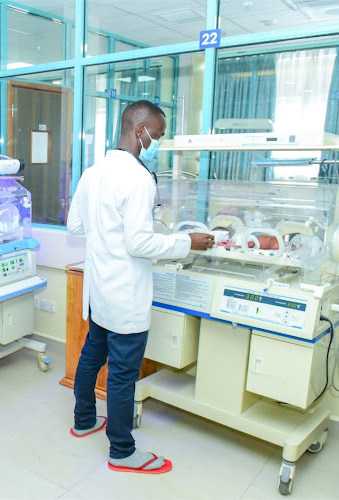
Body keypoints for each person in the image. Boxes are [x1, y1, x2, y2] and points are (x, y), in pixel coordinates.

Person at [67, 100, 213, 474]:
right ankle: (122, 450)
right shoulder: (137, 178)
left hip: (99, 291)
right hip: (126, 295)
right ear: (140, 130)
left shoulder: (91, 173)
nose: (157, 142)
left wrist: (109, 233)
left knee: (91, 355)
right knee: (122, 374)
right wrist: (186, 242)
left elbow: (75, 228)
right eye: (158, 135)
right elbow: (139, 244)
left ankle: (84, 420)